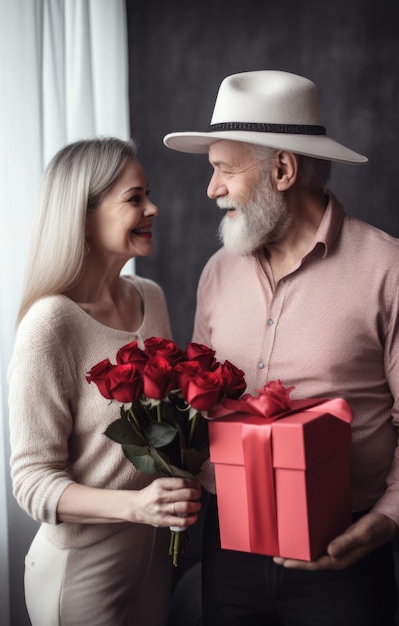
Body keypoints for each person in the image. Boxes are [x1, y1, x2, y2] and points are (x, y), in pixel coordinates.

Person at [163, 70, 399, 625]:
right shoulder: (217, 272)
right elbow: (199, 408)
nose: (211, 189)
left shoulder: (387, 269)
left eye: (224, 170)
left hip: (347, 553)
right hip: (227, 546)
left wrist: (387, 519)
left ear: (284, 170)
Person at [8, 137, 202, 626]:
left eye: (148, 194)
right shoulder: (51, 324)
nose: (153, 208)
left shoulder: (150, 297)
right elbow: (31, 481)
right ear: (84, 217)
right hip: (78, 572)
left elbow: (167, 423)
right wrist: (136, 506)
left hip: (152, 558)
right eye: (134, 198)